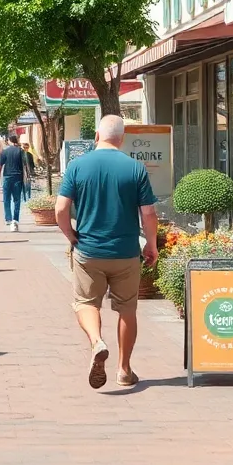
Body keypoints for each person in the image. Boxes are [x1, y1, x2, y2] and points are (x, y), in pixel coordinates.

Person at [56, 115, 158, 390]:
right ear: (122, 138)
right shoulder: (135, 168)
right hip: (125, 252)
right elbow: (148, 213)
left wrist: (70, 235)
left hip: (89, 251)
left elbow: (61, 209)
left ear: (97, 136)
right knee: (127, 309)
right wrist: (151, 244)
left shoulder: (77, 166)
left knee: (86, 303)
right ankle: (124, 370)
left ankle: (96, 341)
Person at [0, 133, 26, 232]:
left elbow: (0, 165)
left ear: (9, 141)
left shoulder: (4, 151)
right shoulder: (21, 151)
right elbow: (24, 165)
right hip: (18, 177)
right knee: (17, 200)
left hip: (7, 177)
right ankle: (15, 219)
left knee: (6, 198)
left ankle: (8, 219)